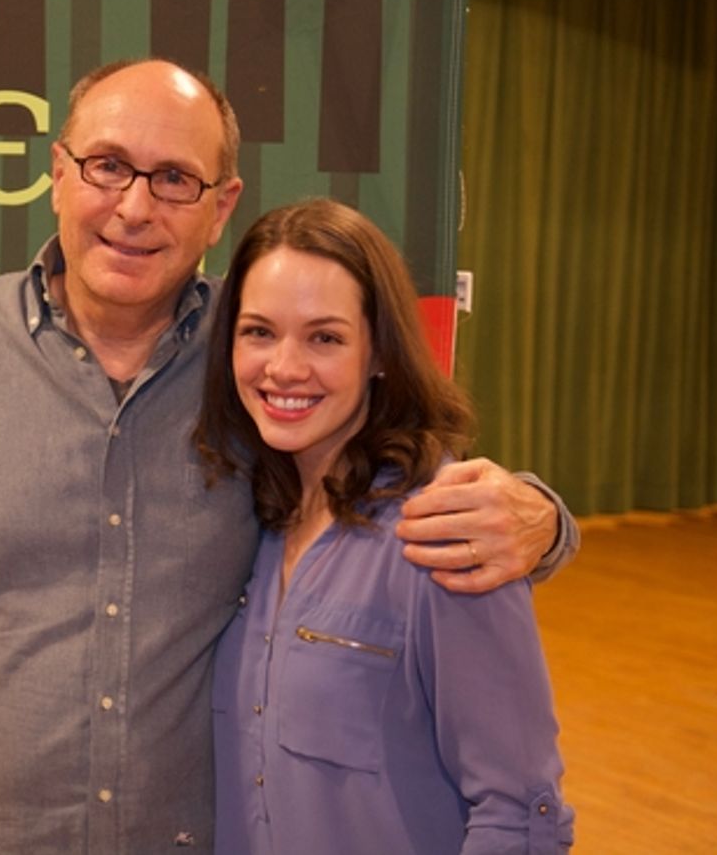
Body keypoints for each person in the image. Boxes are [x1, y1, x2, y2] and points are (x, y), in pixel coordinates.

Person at [0, 59, 579, 854]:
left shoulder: (258, 365)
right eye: (107, 166)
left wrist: (544, 521)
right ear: (59, 172)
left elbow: (401, 485)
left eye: (173, 178)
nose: (134, 207)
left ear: (220, 206)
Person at [198, 198, 575, 854]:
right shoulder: (248, 518)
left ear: (379, 352)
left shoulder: (445, 531)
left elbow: (519, 810)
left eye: (325, 337)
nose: (284, 367)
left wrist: (548, 520)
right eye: (259, 331)